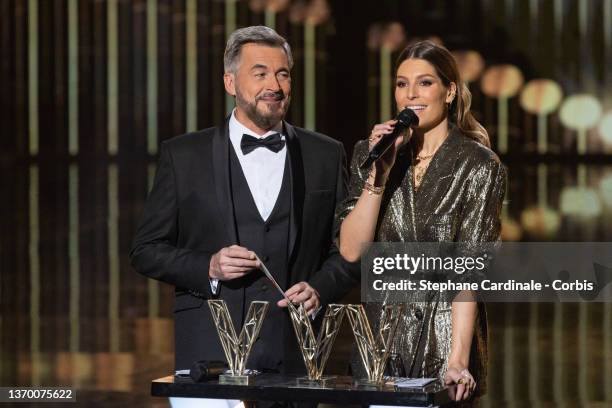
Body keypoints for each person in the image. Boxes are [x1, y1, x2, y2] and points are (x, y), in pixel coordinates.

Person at [130, 25, 358, 408]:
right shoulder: (184, 156)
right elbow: (145, 250)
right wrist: (210, 267)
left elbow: (350, 252)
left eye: (283, 73)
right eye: (261, 73)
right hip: (207, 357)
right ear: (230, 82)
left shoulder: (326, 155)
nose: (275, 84)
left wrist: (320, 287)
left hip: (297, 356)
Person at [336, 40, 506, 404]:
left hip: (444, 344)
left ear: (450, 91)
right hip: (379, 345)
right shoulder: (372, 153)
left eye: (425, 82)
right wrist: (378, 175)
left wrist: (458, 360)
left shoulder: (478, 165)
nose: (410, 93)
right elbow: (352, 250)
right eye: (401, 83)